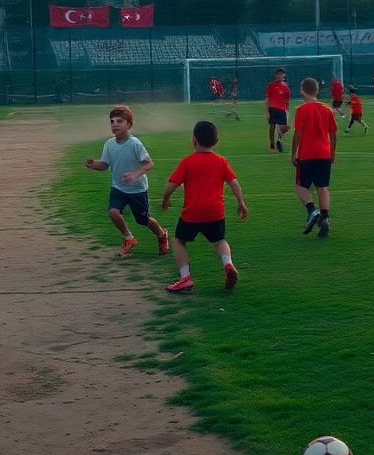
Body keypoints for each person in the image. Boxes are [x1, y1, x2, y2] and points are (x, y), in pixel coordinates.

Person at [161, 120, 248, 294]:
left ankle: (185, 277)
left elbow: (171, 184)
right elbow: (234, 183)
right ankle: (228, 264)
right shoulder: (221, 161)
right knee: (219, 241)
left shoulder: (187, 162)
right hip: (215, 213)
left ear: (194, 140)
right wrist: (241, 202)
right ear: (216, 142)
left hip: (192, 214)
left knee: (179, 241)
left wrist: (165, 199)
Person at [84, 105, 168, 257]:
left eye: (119, 121)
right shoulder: (109, 144)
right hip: (118, 188)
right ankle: (129, 238)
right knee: (113, 212)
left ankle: (162, 234)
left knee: (143, 220)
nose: (114, 124)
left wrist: (135, 174)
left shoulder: (135, 143)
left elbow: (149, 163)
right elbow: (104, 165)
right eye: (112, 121)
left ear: (129, 125)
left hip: (137, 189)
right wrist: (93, 165)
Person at [291, 77, 337, 239]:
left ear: (302, 90)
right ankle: (325, 218)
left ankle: (312, 210)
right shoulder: (327, 110)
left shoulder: (301, 110)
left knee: (301, 186)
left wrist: (294, 152)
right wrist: (332, 154)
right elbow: (333, 134)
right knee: (322, 187)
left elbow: (298, 133)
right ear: (317, 91)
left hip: (307, 154)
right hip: (324, 153)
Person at [264, 67, 291, 153]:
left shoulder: (286, 87)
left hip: (282, 110)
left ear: (284, 76)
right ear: (275, 75)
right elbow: (267, 98)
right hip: (272, 109)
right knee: (272, 127)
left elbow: (287, 100)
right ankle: (272, 145)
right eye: (278, 74)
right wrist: (267, 111)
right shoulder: (270, 85)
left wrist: (287, 110)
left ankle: (279, 140)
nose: (280, 76)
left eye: (281, 74)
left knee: (284, 128)